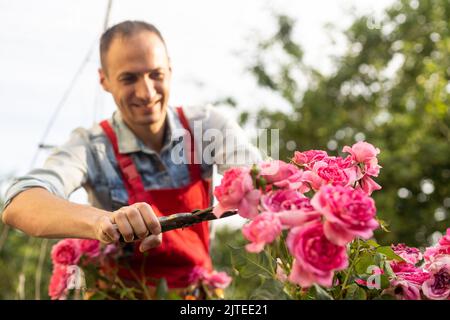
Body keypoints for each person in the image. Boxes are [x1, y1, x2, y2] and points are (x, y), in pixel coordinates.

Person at [1, 20, 262, 297]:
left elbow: (261, 183)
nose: (146, 92)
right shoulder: (91, 146)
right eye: (129, 78)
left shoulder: (207, 127)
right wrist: (101, 222)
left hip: (196, 295)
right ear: (104, 80)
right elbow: (19, 204)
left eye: (156, 74)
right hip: (119, 293)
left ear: (170, 70)